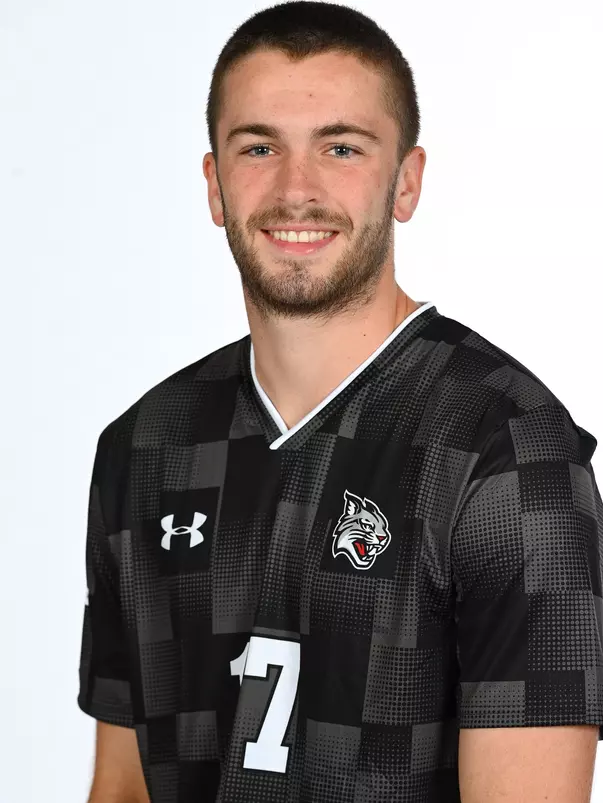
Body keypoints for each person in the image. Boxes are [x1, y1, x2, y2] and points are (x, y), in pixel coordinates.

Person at [77, 2, 603, 801]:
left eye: (341, 148)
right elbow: (121, 786)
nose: (297, 189)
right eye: (259, 147)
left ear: (406, 182)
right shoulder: (145, 445)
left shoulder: (510, 451)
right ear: (214, 184)